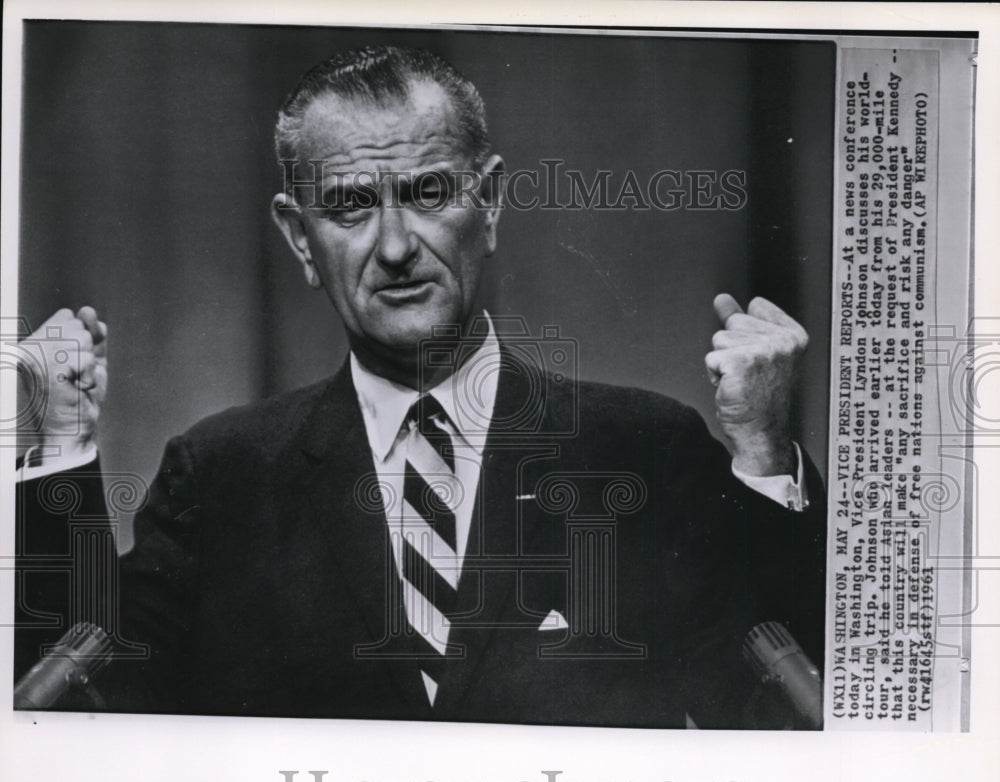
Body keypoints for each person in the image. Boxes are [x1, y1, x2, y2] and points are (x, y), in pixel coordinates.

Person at [14, 45, 825, 728]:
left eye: (429, 192)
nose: (396, 245)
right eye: (351, 207)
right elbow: (70, 720)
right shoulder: (220, 476)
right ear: (299, 238)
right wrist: (60, 449)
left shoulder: (647, 452)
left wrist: (761, 454)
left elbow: (793, 726)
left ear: (492, 203)